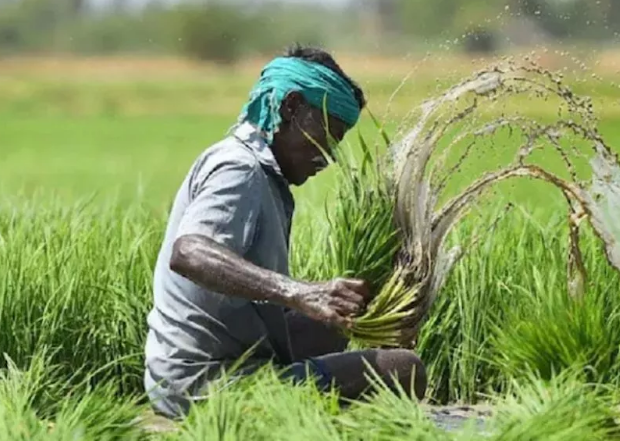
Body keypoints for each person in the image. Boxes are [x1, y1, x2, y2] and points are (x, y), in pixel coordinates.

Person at [144, 44, 427, 419]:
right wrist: (298, 292)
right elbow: (189, 253)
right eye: (328, 134)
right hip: (205, 386)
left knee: (336, 328)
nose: (328, 156)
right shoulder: (239, 169)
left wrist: (362, 312)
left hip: (204, 372)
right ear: (291, 107)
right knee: (404, 368)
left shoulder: (262, 174)